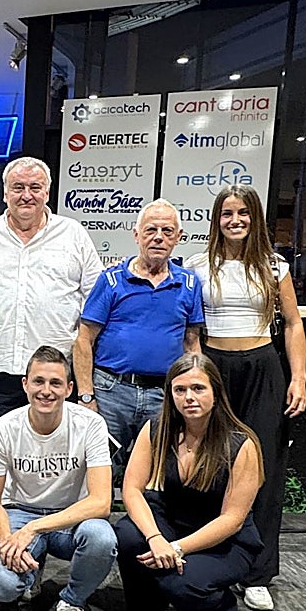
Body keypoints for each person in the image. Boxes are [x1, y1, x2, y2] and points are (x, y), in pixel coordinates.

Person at [184, 185, 306, 611]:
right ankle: (207, 560)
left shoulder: (275, 266)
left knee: (264, 469)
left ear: (256, 218)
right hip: (214, 368)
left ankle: (257, 574)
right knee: (210, 465)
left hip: (263, 368)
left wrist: (300, 378)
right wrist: (196, 373)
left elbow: (292, 324)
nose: (234, 221)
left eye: (243, 213)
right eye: (226, 214)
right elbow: (191, 330)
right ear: (216, 220)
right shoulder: (198, 265)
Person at [115, 353, 264, 611]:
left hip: (224, 541)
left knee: (181, 582)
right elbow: (131, 489)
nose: (188, 397)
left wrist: (176, 548)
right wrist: (156, 538)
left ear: (216, 393)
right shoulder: (156, 428)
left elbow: (232, 520)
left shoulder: (241, 444)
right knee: (129, 535)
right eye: (180, 390)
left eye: (198, 388)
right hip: (171, 522)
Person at [0, 346, 116, 611]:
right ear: (25, 384)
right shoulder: (4, 427)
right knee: (3, 587)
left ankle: (71, 604)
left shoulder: (91, 424)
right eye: (39, 381)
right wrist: (7, 541)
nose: (46, 391)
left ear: (69, 389)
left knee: (101, 538)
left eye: (55, 383)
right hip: (19, 511)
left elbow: (101, 503)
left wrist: (34, 530)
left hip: (71, 516)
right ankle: (31, 566)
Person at [0, 157, 102, 449]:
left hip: (55, 379)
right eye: (18, 187)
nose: (26, 195)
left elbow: (95, 302)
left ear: (48, 193)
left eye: (35, 187)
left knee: (55, 465)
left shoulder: (73, 235)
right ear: (4, 193)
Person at [73, 199, 204, 464]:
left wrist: (194, 388)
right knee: (99, 470)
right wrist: (86, 397)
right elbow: (84, 340)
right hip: (111, 392)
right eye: (150, 230)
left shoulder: (189, 283)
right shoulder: (110, 280)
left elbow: (192, 344)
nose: (158, 237)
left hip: (164, 394)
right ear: (136, 235)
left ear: (178, 237)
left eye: (167, 231)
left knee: (158, 473)